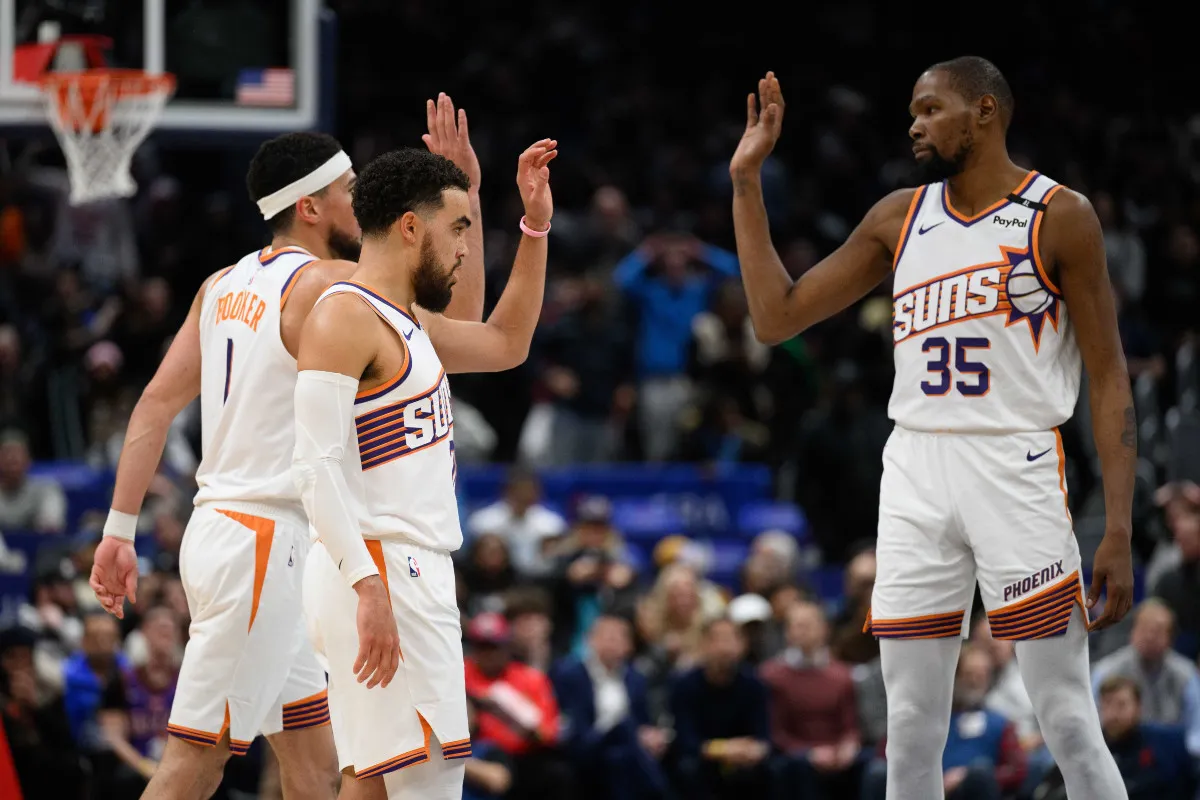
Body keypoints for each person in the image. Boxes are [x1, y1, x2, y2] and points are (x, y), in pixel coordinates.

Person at [729, 59, 1135, 799]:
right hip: (914, 468)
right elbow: (774, 316)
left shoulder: (1058, 215)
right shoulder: (899, 216)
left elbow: (1109, 377)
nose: (914, 124)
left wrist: (1118, 527)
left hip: (1014, 463)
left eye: (930, 109)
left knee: (1069, 719)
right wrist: (747, 182)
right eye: (912, 112)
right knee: (911, 725)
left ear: (985, 112)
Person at [88, 94, 486, 800]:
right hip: (267, 542)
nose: (360, 204)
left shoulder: (223, 284)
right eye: (349, 192)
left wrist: (119, 530)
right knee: (193, 763)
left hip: (234, 533)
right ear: (311, 207)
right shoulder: (333, 290)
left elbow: (153, 403)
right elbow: (464, 333)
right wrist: (465, 209)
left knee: (312, 766)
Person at [294, 140, 556, 799]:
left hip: (396, 566)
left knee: (373, 781)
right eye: (459, 227)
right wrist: (368, 587)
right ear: (411, 227)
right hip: (382, 566)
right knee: (431, 780)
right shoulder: (346, 315)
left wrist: (535, 227)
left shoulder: (408, 322)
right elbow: (314, 468)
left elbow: (505, 343)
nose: (467, 247)